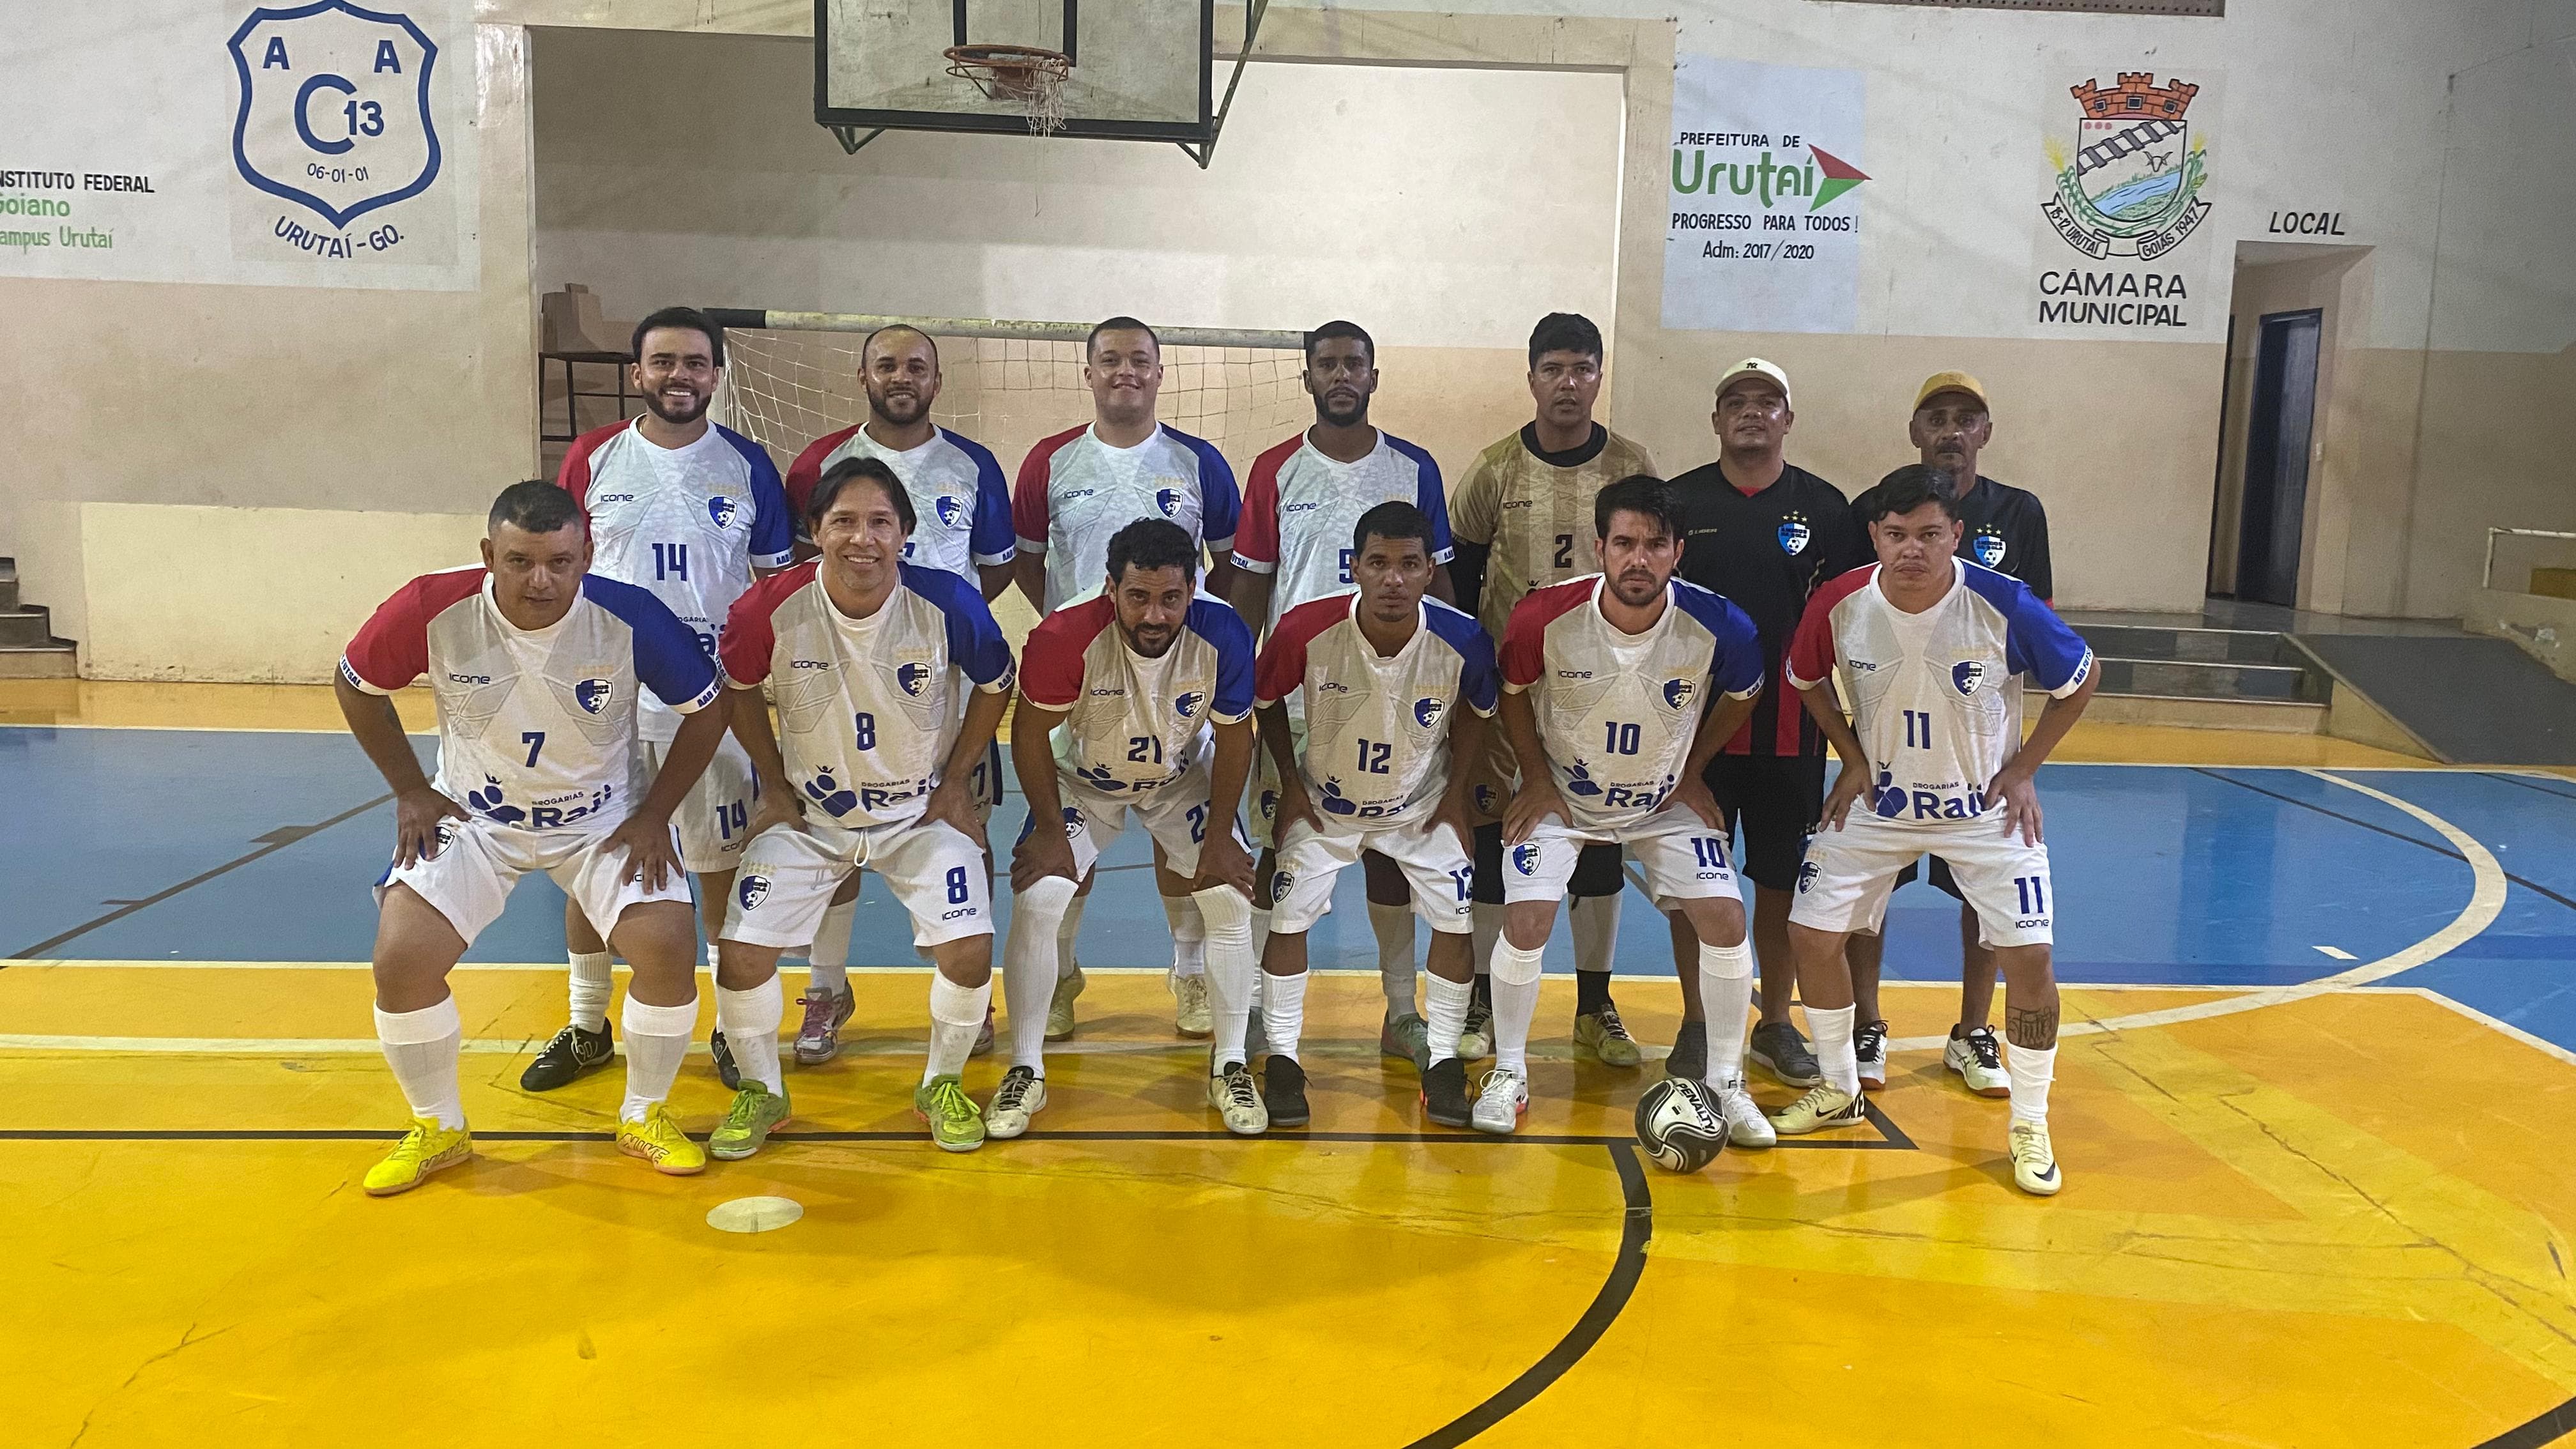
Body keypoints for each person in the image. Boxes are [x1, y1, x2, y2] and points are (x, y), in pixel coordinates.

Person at [336, 481, 729, 1192]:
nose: (541, 580)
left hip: (603, 821)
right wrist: (410, 790)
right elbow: (355, 682)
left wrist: (654, 814)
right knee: (401, 958)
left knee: (668, 945)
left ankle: (643, 1115)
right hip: (476, 819)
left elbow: (708, 708)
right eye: (519, 561)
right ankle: (439, 1127)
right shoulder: (433, 606)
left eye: (560, 561)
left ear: (588, 555)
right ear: (489, 554)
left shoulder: (630, 616)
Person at [1773, 464, 2096, 1196]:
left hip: (1983, 811)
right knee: (1810, 936)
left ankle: (2031, 1120)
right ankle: (1837, 1087)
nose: (1911, 549)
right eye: (1895, 535)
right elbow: (1803, 681)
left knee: (2032, 960)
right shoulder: (1838, 602)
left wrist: (2025, 769)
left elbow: (2081, 677)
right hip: (1880, 808)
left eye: (1928, 534)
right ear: (1874, 537)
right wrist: (1850, 758)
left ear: (1957, 535)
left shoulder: (2001, 602)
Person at [706, 458, 1018, 1156]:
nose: (863, 539)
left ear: (905, 533)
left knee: (969, 951)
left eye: (880, 522)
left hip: (918, 815)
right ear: (815, 530)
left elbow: (998, 683)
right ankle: (761, 1091)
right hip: (812, 819)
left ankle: (941, 1083)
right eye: (844, 521)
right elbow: (738, 689)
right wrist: (773, 784)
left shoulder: (949, 604)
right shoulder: (766, 608)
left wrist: (957, 781)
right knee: (742, 956)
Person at [534, 307, 793, 1094]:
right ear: (638, 372)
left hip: (706, 709)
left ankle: (723, 1029)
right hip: (600, 705)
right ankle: (586, 1027)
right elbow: (557, 567)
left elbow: (770, 588)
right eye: (663, 362)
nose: (679, 376)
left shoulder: (749, 465)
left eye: (695, 363)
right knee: (593, 868)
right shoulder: (593, 457)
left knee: (717, 872)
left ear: (716, 375)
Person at [1486, 475, 1771, 1140]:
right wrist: (1534, 777)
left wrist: (1693, 770)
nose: (1638, 560)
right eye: (1624, 544)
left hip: (1661, 800)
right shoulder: (1542, 618)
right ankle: (1507, 1073)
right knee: (1526, 921)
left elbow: (1745, 693)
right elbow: (1513, 693)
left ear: (1677, 552)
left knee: (1727, 918)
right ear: (1599, 547)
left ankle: (1727, 1083)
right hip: (1566, 794)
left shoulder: (1721, 625)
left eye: (1654, 545)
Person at [780, 325, 1016, 1066]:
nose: (902, 377)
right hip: (834, 678)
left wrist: (941, 627)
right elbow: (798, 564)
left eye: (917, 367)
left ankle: (968, 1001)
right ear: (862, 375)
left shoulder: (973, 464)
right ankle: (825, 989)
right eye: (887, 365)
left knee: (961, 832)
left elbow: (997, 569)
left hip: (936, 686)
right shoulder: (821, 461)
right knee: (836, 839)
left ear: (937, 381)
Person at [1230, 320, 1458, 1069]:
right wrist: (1237, 680)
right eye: (1326, 364)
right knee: (1279, 852)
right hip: (1298, 702)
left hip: (1399, 699)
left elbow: (1445, 592)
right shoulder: (1273, 471)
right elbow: (1251, 588)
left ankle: (1400, 1011)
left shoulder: (1415, 467)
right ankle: (1266, 1011)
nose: (1340, 375)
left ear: (1373, 375)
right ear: (1307, 377)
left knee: (1392, 852)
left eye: (1353, 363)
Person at [1013, 317, 1243, 1043]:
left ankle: (1187, 972)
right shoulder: (1050, 461)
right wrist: (1071, 626)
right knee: (1067, 852)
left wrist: (1184, 632)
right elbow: (1026, 562)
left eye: (1139, 360)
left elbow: (1229, 568)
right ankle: (1062, 977)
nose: (1125, 372)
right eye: (1109, 360)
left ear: (1160, 372)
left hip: (1175, 679)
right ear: (1088, 372)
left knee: (1180, 841)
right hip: (1085, 683)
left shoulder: (1199, 460)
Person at [996, 519, 1262, 1137]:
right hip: (1085, 779)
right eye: (1138, 596)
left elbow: (1233, 736)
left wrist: (1221, 837)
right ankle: (1026, 1070)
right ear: (1110, 588)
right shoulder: (1064, 635)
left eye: (1171, 598)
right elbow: (1030, 733)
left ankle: (1229, 1064)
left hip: (1178, 777)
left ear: (1191, 590)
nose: (1154, 615)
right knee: (1040, 896)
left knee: (1228, 898)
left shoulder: (1223, 633)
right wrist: (1046, 829)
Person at [1447, 313, 1659, 1070]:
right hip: (1508, 693)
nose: (1568, 383)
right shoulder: (1495, 468)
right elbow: (1460, 582)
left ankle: (1595, 1003)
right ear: (1531, 377)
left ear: (1600, 376)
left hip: (1601, 695)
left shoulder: (1631, 466)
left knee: (1598, 839)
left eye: (1582, 369)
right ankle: (1479, 993)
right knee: (1493, 836)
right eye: (1554, 369)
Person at [1843, 372, 2056, 1096]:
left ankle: (1973, 1031)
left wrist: (2022, 765)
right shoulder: (1877, 506)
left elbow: (2043, 632)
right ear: (1916, 430)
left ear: (1985, 433)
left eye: (1966, 419)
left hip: (1978, 751)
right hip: (1887, 749)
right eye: (1936, 417)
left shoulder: (2019, 513)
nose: (1951, 430)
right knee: (1871, 889)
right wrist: (1848, 752)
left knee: (1983, 897)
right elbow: (1851, 620)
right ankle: (1866, 1020)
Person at [1252, 502, 1492, 1128]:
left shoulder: (1462, 637)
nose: (1393, 579)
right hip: (1326, 801)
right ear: (1354, 566)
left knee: (1456, 921)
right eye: (1379, 563)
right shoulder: (1303, 629)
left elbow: (1479, 710)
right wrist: (1289, 781)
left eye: (1409, 565)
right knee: (1288, 918)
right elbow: (1266, 699)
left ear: (1428, 570)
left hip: (1419, 802)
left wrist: (1457, 793)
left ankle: (1441, 1057)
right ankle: (1281, 1056)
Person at [1663, 358, 1867, 1091]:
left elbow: (1847, 618)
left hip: (1792, 729)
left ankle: (1775, 1022)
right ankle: (1697, 1020)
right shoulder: (1678, 501)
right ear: (1716, 419)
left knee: (1782, 881)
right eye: (1736, 402)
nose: (1752, 413)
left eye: (1768, 402)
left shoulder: (1826, 506)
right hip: (1697, 731)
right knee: (1697, 884)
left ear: (1789, 418)